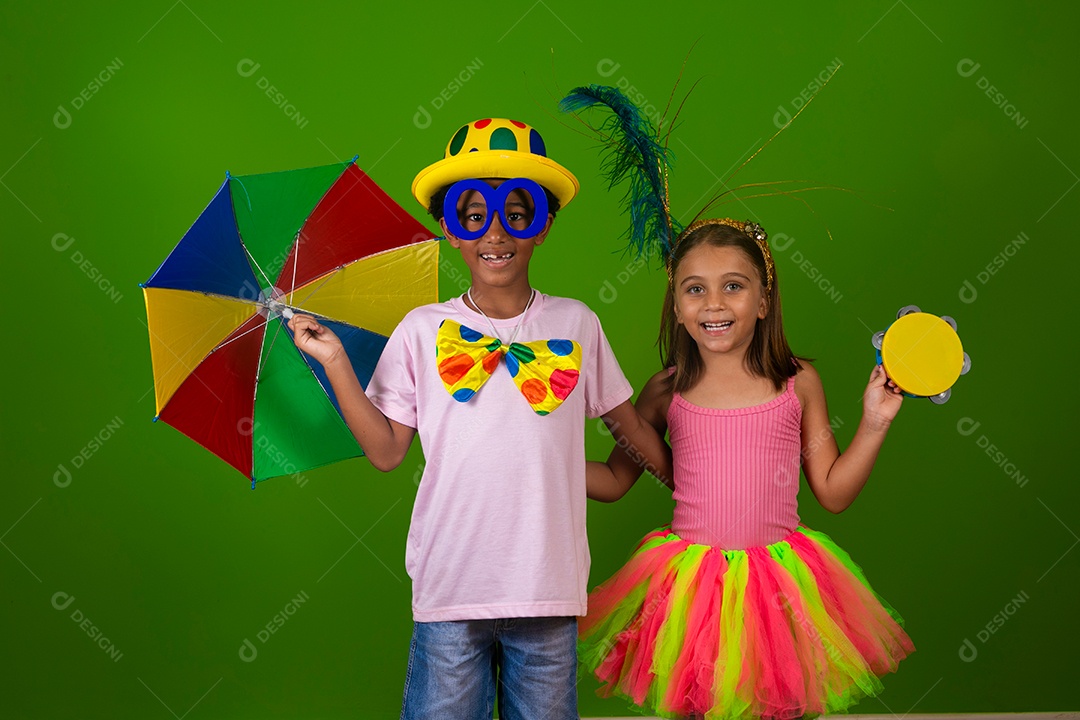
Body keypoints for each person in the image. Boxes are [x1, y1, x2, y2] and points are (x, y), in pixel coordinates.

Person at [286, 117, 670, 720]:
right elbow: (387, 453)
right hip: (451, 590)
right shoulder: (420, 329)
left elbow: (624, 452)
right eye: (474, 214)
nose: (496, 231)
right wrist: (335, 360)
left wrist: (679, 442)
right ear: (450, 229)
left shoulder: (577, 324)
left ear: (542, 226)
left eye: (518, 212)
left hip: (547, 593)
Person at [581, 218, 914, 720]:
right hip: (693, 588)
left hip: (777, 587)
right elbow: (611, 482)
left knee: (777, 703)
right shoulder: (664, 390)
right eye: (695, 289)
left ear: (762, 303)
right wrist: (535, 457)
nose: (713, 304)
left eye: (732, 286)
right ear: (676, 306)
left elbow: (833, 492)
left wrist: (874, 421)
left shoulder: (797, 382)